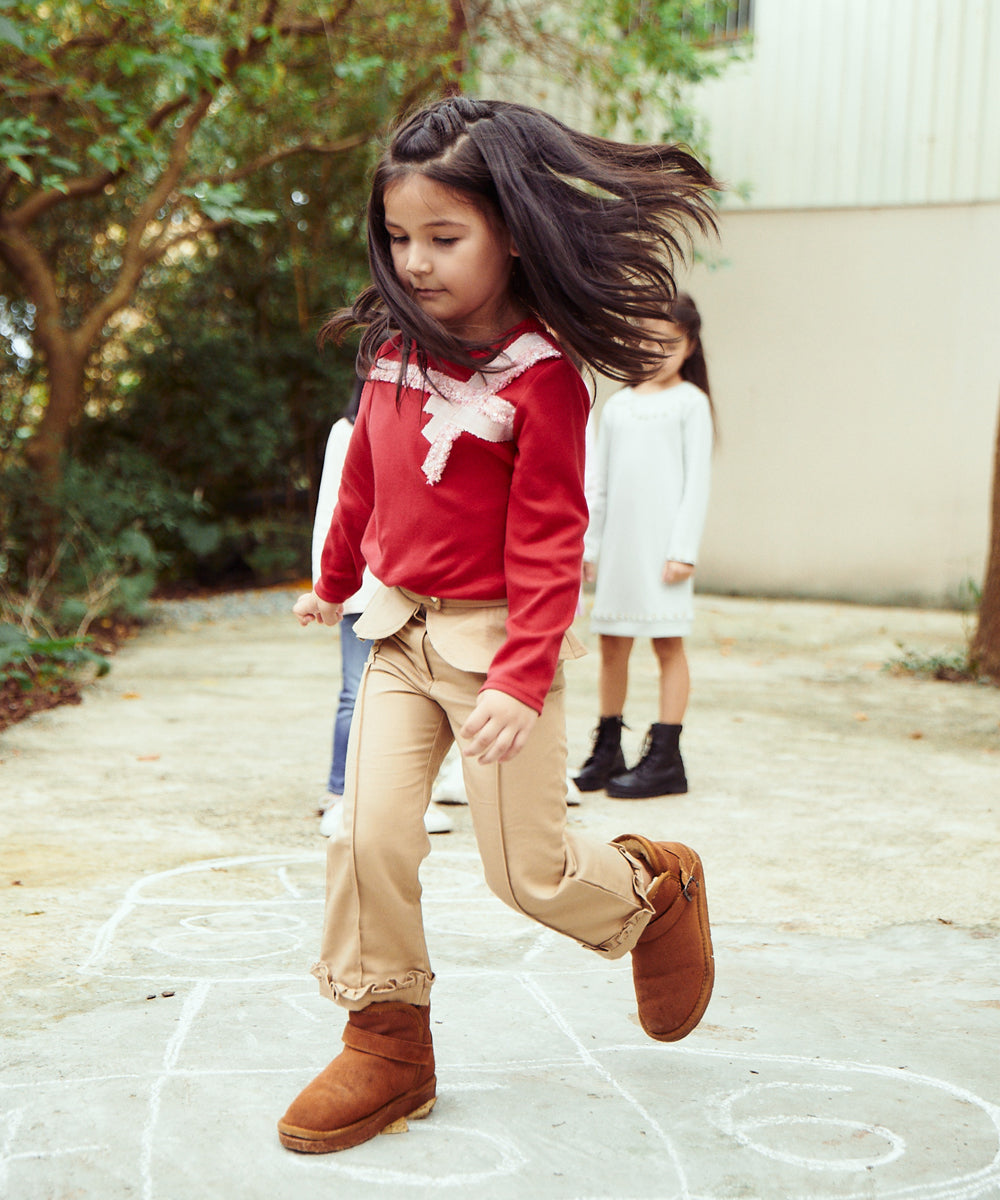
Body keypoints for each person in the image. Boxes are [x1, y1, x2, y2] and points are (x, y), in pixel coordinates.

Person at [279, 96, 719, 1156]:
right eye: (398, 237)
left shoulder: (544, 380)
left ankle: (654, 887)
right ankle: (386, 1040)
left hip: (493, 651)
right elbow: (364, 487)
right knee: (363, 832)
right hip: (397, 635)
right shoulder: (390, 348)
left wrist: (523, 680)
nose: (415, 261)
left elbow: (548, 543)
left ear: (508, 232)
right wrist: (335, 579)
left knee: (528, 874)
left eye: (444, 236)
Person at [575, 293, 715, 798]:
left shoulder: (690, 404)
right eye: (646, 341)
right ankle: (608, 745)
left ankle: (665, 758)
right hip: (619, 550)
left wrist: (684, 550)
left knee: (667, 644)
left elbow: (696, 483)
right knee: (612, 643)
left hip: (664, 553)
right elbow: (601, 482)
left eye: (670, 343)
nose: (657, 352)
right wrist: (590, 545)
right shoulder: (619, 407)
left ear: (690, 345)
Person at [312, 380, 452, 837]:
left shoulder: (427, 418)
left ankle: (403, 796)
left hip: (405, 588)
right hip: (359, 588)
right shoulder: (345, 430)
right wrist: (329, 588)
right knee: (355, 692)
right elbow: (336, 510)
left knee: (410, 693)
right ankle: (339, 791)